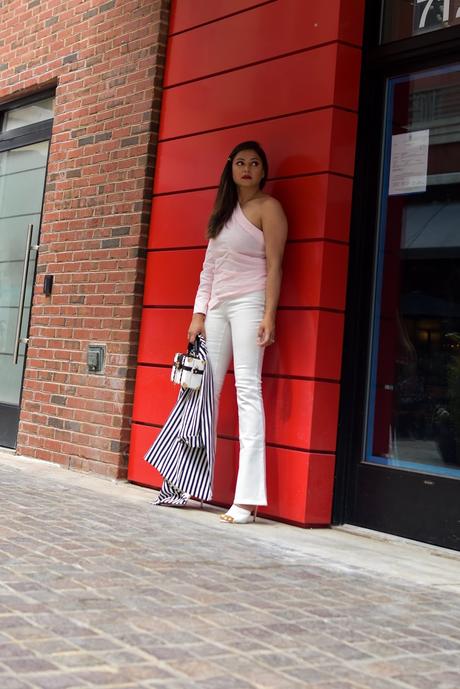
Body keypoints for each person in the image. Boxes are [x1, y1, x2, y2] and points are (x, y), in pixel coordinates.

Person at [188, 141, 288, 524]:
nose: (247, 168)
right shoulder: (222, 212)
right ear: (231, 169)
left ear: (263, 171)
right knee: (203, 393)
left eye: (255, 163)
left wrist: (269, 314)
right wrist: (198, 314)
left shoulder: (269, 208)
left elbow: (276, 266)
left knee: (247, 390)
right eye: (240, 162)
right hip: (215, 309)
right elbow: (207, 269)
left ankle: (246, 500)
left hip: (249, 304)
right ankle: (191, 484)